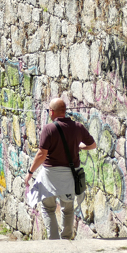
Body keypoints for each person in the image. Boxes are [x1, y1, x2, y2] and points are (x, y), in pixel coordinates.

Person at [27, 98, 96, 240]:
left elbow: (41, 154)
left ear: (51, 112)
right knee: (68, 209)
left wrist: (30, 173)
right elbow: (92, 145)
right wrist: (79, 147)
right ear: (64, 112)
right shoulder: (78, 127)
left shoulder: (49, 129)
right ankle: (66, 239)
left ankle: (53, 240)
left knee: (48, 208)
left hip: (50, 176)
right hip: (70, 176)